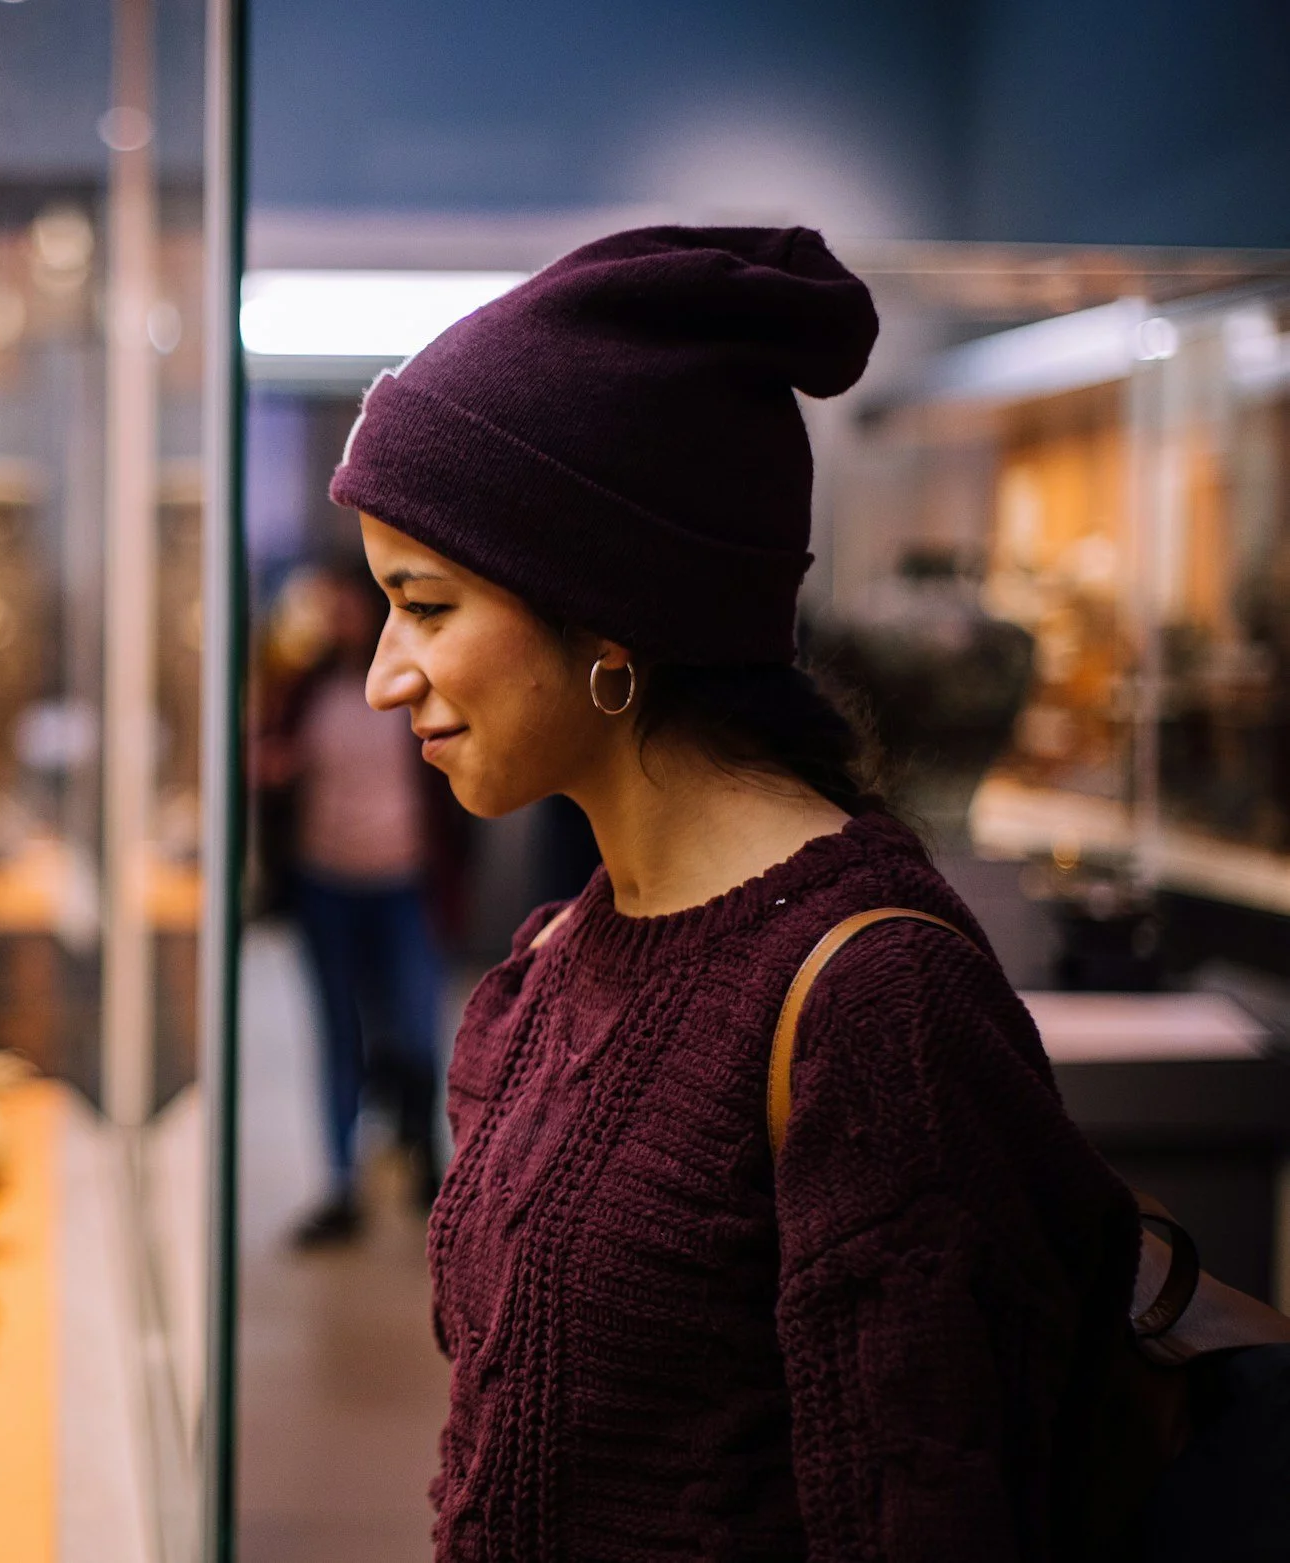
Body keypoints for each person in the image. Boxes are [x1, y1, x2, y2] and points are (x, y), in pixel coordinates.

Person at [331, 226, 1139, 1561]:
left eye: (425, 603)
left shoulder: (871, 1003)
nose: (383, 674)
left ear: (608, 620)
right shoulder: (560, 954)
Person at [259, 563, 448, 1246]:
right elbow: (272, 764)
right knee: (339, 1031)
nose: (337, 619)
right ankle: (341, 1181)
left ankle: (428, 1157)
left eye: (345, 605)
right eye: (328, 607)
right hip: (326, 881)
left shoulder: (410, 680)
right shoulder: (305, 689)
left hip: (401, 879)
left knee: (415, 1023)